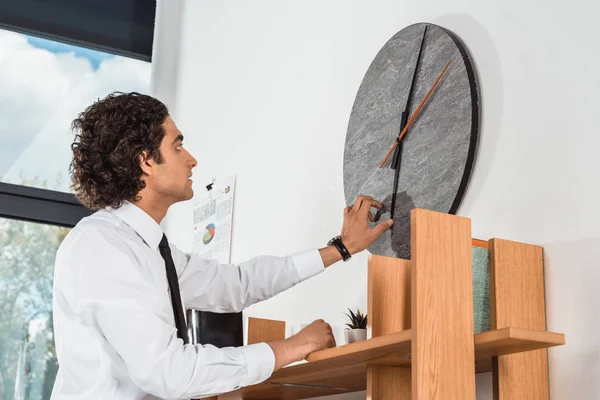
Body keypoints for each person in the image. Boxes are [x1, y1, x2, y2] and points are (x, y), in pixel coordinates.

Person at [50, 92, 393, 399]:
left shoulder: (152, 251)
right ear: (146, 161)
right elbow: (170, 374)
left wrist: (342, 247)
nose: (191, 159)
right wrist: (292, 347)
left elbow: (238, 284)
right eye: (178, 145)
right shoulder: (101, 246)